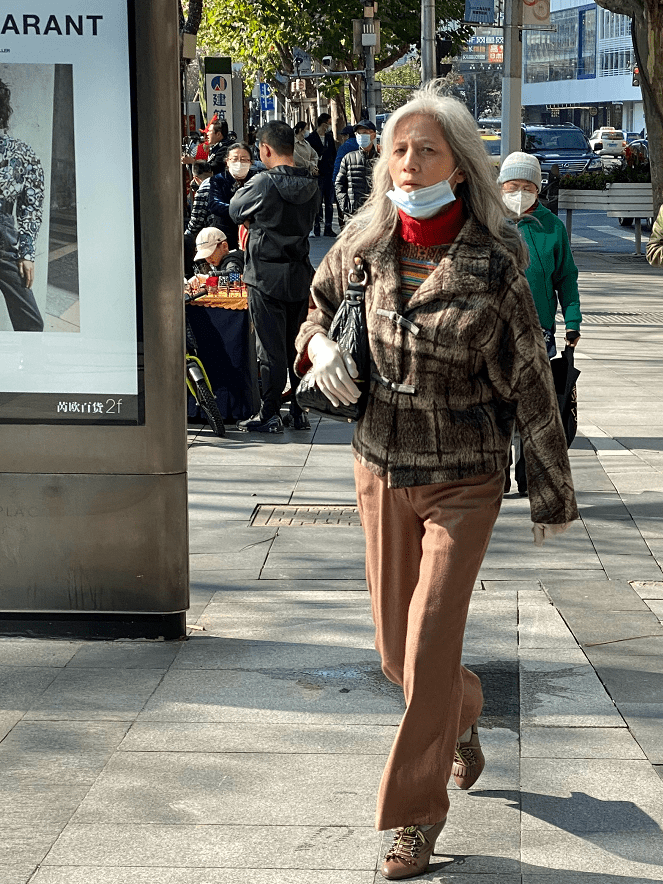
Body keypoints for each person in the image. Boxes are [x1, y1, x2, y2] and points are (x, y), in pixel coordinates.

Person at [294, 82, 577, 880]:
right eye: (398, 148)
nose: (407, 161)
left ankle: (414, 819)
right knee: (397, 657)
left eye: (426, 149)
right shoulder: (366, 244)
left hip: (465, 480)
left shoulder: (495, 267)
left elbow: (531, 385)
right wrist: (317, 350)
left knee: (425, 646)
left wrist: (551, 491)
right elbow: (312, 310)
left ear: (460, 168)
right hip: (381, 469)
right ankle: (464, 709)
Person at [498, 151, 582, 496]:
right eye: (513, 186)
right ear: (501, 187)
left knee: (532, 410)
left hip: (539, 333)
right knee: (496, 407)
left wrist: (573, 321)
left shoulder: (552, 227)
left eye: (528, 186)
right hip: (494, 331)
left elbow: (567, 278)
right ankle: (497, 473)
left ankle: (528, 475)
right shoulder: (486, 223)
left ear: (538, 188)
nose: (520, 192)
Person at [229, 120, 320, 433]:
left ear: (265, 149)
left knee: (269, 349)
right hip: (299, 272)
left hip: (265, 274)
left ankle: (269, 413)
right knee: (297, 345)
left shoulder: (262, 183)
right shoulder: (311, 182)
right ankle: (299, 410)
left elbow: (235, 210)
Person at [0, 71, 44, 332]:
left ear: (1, 108)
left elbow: (31, 205)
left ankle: (32, 369)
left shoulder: (21, 152)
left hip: (2, 231)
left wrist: (26, 253)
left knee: (31, 321)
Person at [208, 142, 256, 250]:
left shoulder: (257, 179)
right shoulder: (218, 180)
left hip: (253, 234)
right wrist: (241, 213)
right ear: (227, 162)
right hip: (225, 235)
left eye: (244, 159)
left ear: (251, 162)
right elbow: (214, 204)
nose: (239, 163)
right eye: (234, 159)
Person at [334, 119, 378, 220]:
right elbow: (339, 184)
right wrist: (345, 206)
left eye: (366, 133)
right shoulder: (348, 158)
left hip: (375, 216)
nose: (362, 136)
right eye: (359, 133)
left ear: (374, 135)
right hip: (353, 215)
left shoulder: (381, 160)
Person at [306, 112, 337, 236]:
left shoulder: (329, 137)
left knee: (329, 202)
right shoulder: (311, 138)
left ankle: (328, 228)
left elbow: (333, 153)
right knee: (317, 202)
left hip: (328, 173)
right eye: (329, 123)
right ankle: (317, 226)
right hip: (317, 174)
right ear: (323, 123)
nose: (329, 126)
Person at [184, 161, 213, 277]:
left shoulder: (204, 188)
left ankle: (189, 276)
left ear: (195, 178)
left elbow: (196, 221)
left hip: (212, 232)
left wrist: (187, 234)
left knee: (186, 240)